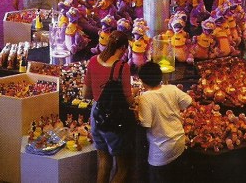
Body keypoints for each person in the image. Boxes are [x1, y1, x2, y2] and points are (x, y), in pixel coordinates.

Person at [82, 30, 134, 183]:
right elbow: (128, 99)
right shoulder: (122, 67)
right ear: (124, 47)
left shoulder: (92, 60)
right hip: (114, 120)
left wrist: (100, 94)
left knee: (104, 163)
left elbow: (85, 94)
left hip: (96, 115)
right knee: (123, 168)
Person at [136, 61, 192, 183]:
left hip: (161, 150)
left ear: (143, 80)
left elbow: (146, 124)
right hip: (179, 142)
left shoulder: (145, 97)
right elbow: (188, 101)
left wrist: (137, 113)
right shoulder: (172, 88)